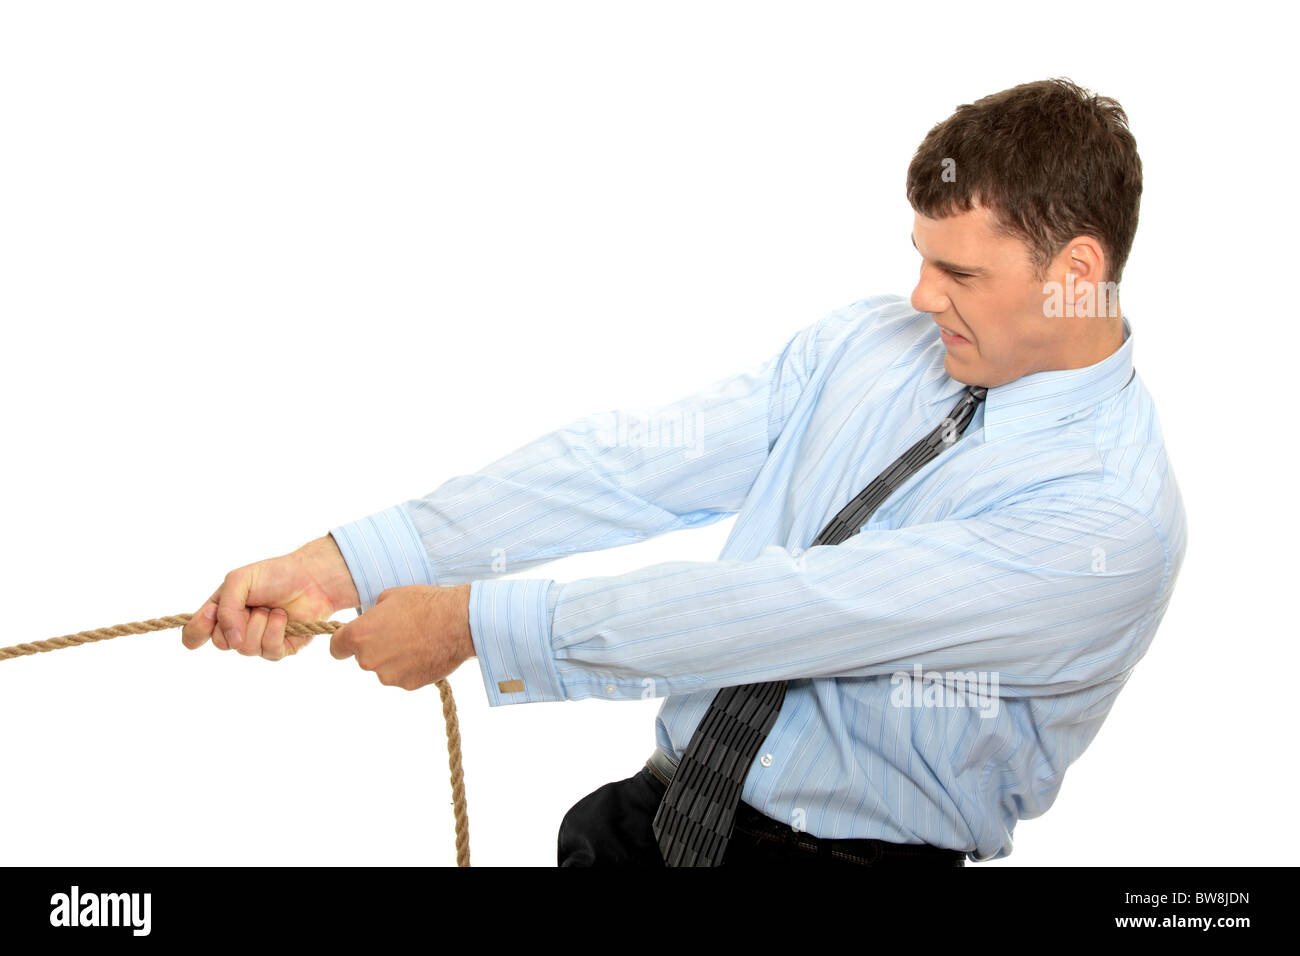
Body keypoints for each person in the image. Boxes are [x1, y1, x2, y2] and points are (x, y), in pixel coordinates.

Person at [180, 77, 1188, 866]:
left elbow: (789, 610)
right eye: (919, 255)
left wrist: (470, 624)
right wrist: (351, 559)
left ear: (1073, 275)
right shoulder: (871, 342)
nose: (918, 294)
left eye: (959, 271)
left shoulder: (1109, 522)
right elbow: (630, 463)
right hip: (649, 823)